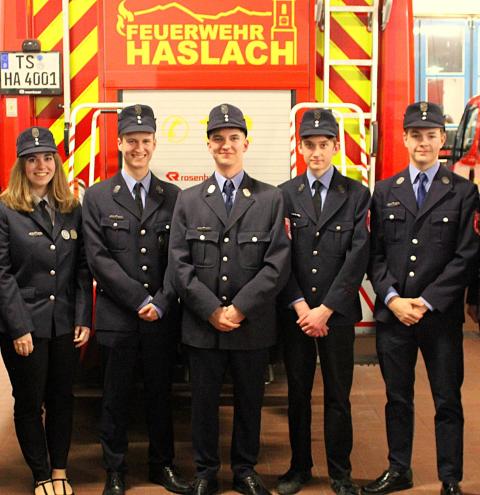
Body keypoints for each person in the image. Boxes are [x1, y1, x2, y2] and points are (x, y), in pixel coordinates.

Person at [169, 103, 291, 495]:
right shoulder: (188, 199)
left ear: (246, 144)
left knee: (249, 401)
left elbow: (277, 264)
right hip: (202, 325)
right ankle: (205, 472)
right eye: (218, 138)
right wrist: (211, 310)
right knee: (202, 403)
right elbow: (179, 264)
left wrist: (238, 309)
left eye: (233, 138)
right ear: (208, 145)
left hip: (250, 324)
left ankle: (245, 470)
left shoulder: (270, 198)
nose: (226, 145)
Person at [363, 101, 479, 495]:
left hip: (439, 318)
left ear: (442, 139)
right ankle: (399, 470)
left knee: (447, 400)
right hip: (394, 316)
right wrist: (393, 299)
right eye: (416, 135)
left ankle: (450, 478)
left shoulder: (463, 192)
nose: (423, 142)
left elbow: (467, 256)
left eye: (431, 135)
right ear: (405, 138)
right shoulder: (385, 191)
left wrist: (426, 302)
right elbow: (374, 255)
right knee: (397, 398)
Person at [82, 104, 189, 495]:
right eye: (131, 140)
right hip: (118, 317)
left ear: (155, 143)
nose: (138, 148)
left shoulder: (173, 196)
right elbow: (98, 258)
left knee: (161, 394)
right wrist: (140, 300)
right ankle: (115, 470)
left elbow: (180, 257)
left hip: (161, 316)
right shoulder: (97, 197)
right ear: (119, 142)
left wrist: (161, 301)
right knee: (115, 397)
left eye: (145, 140)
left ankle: (163, 466)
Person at [276, 109, 370, 495]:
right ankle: (299, 467)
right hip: (297, 315)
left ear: (335, 146)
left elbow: (358, 257)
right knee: (297, 394)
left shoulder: (357, 194)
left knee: (338, 395)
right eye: (309, 145)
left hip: (337, 314)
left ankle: (340, 473)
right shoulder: (284, 194)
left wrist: (326, 309)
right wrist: (301, 306)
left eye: (323, 144)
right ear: (300, 147)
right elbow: (279, 256)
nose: (316, 152)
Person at [0, 126, 92, 495]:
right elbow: (2, 274)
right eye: (32, 159)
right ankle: (40, 475)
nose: (41, 165)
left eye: (47, 158)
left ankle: (59, 470)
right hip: (24, 326)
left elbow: (82, 269)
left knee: (62, 399)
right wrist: (19, 327)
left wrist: (83, 316)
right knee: (29, 401)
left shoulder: (71, 208)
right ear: (21, 166)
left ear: (56, 162)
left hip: (64, 323)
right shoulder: (6, 210)